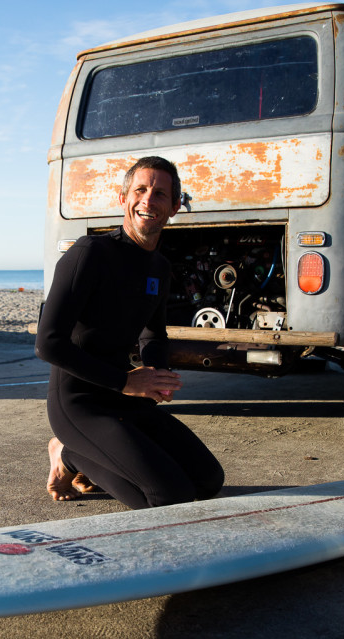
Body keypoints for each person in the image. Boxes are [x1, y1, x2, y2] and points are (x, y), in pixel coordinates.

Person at [35, 156, 223, 510]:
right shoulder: (90, 254)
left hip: (124, 394)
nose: (148, 200)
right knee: (167, 497)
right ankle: (69, 453)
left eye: (160, 194)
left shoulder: (160, 267)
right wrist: (125, 381)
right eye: (140, 189)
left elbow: (153, 335)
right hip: (78, 402)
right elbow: (47, 344)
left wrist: (156, 376)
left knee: (208, 481)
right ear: (123, 198)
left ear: (174, 207)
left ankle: (94, 453)